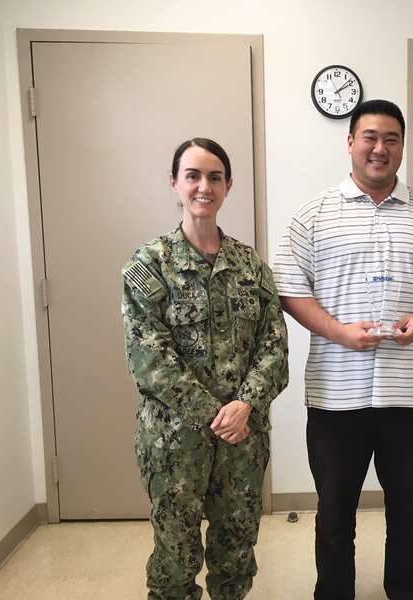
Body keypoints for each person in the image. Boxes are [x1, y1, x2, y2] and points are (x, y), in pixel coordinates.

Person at [273, 99, 413, 600]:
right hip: (336, 393)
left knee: (409, 511)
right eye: (370, 138)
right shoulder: (312, 215)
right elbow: (291, 290)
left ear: (403, 145)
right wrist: (339, 332)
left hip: (411, 392)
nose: (380, 149)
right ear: (351, 142)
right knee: (335, 514)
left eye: (392, 139)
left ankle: (407, 591)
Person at [121, 138, 289, 600]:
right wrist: (216, 414)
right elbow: (148, 358)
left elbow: (275, 348)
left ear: (228, 185)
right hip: (175, 443)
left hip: (243, 440)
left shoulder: (250, 266)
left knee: (236, 552)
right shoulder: (149, 265)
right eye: (193, 175)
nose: (204, 186)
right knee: (175, 557)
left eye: (215, 177)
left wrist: (245, 406)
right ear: (174, 184)